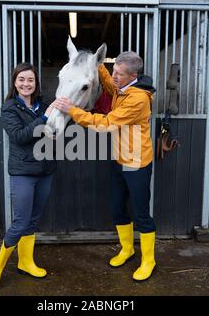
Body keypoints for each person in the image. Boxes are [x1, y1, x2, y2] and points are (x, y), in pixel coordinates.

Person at [53, 51, 157, 282]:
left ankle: (148, 260)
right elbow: (109, 83)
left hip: (136, 163)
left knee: (141, 215)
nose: (114, 77)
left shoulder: (137, 99)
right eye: (114, 71)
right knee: (117, 207)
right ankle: (127, 249)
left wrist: (74, 111)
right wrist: (94, 62)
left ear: (133, 75)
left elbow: (107, 123)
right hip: (119, 160)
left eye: (119, 74)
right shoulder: (121, 87)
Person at [0, 62, 56, 290]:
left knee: (33, 220)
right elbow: (19, 136)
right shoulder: (9, 108)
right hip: (24, 172)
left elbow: (56, 128)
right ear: (15, 82)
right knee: (20, 222)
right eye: (22, 79)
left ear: (36, 83)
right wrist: (44, 119)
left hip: (46, 170)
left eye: (30, 80)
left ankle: (26, 262)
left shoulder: (42, 105)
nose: (26, 84)